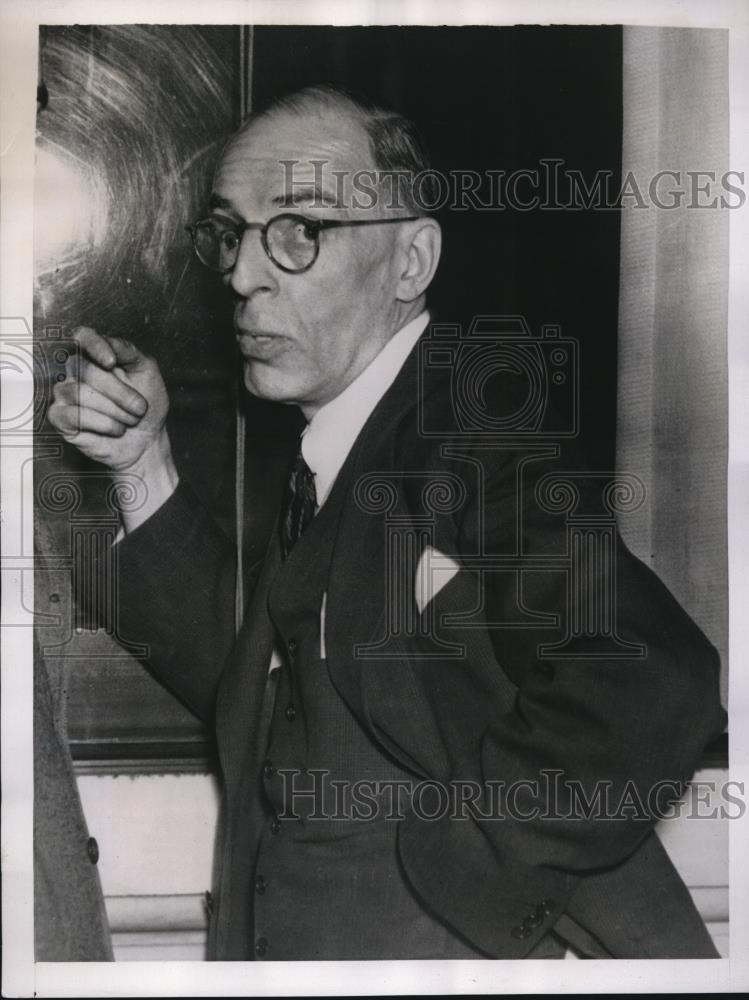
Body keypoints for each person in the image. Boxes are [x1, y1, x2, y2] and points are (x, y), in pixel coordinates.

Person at [48, 85, 726, 961]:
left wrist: (452, 868)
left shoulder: (467, 445)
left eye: (300, 231)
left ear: (409, 264)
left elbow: (650, 679)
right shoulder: (340, 452)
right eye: (231, 234)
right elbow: (264, 684)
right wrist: (145, 463)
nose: (244, 276)